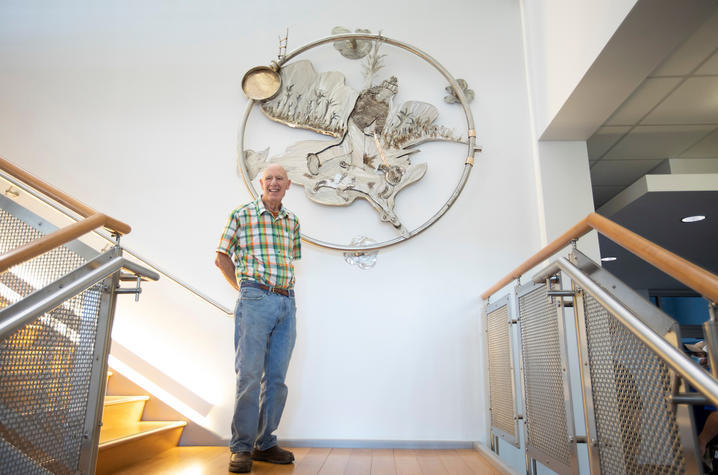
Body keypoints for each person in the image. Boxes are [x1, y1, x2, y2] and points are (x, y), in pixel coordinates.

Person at [215, 164, 301, 473]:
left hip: (286, 302)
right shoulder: (242, 214)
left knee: (276, 379)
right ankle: (241, 448)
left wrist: (279, 295)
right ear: (260, 183)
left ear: (288, 185)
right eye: (269, 179)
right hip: (255, 297)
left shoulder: (292, 221)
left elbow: (290, 259)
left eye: (280, 179)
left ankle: (265, 444)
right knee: (249, 375)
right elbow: (221, 257)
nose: (274, 183)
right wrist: (245, 290)